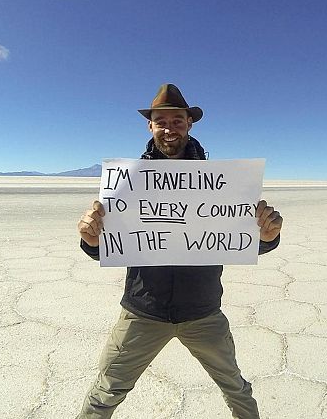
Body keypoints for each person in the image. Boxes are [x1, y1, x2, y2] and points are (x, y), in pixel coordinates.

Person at [76, 83, 283, 419]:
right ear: (150, 126)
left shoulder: (222, 183)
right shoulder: (129, 183)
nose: (169, 128)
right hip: (143, 311)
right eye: (161, 121)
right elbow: (111, 247)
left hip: (203, 313)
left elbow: (234, 239)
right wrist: (91, 240)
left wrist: (267, 237)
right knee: (105, 392)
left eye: (177, 121)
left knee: (235, 388)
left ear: (189, 123)